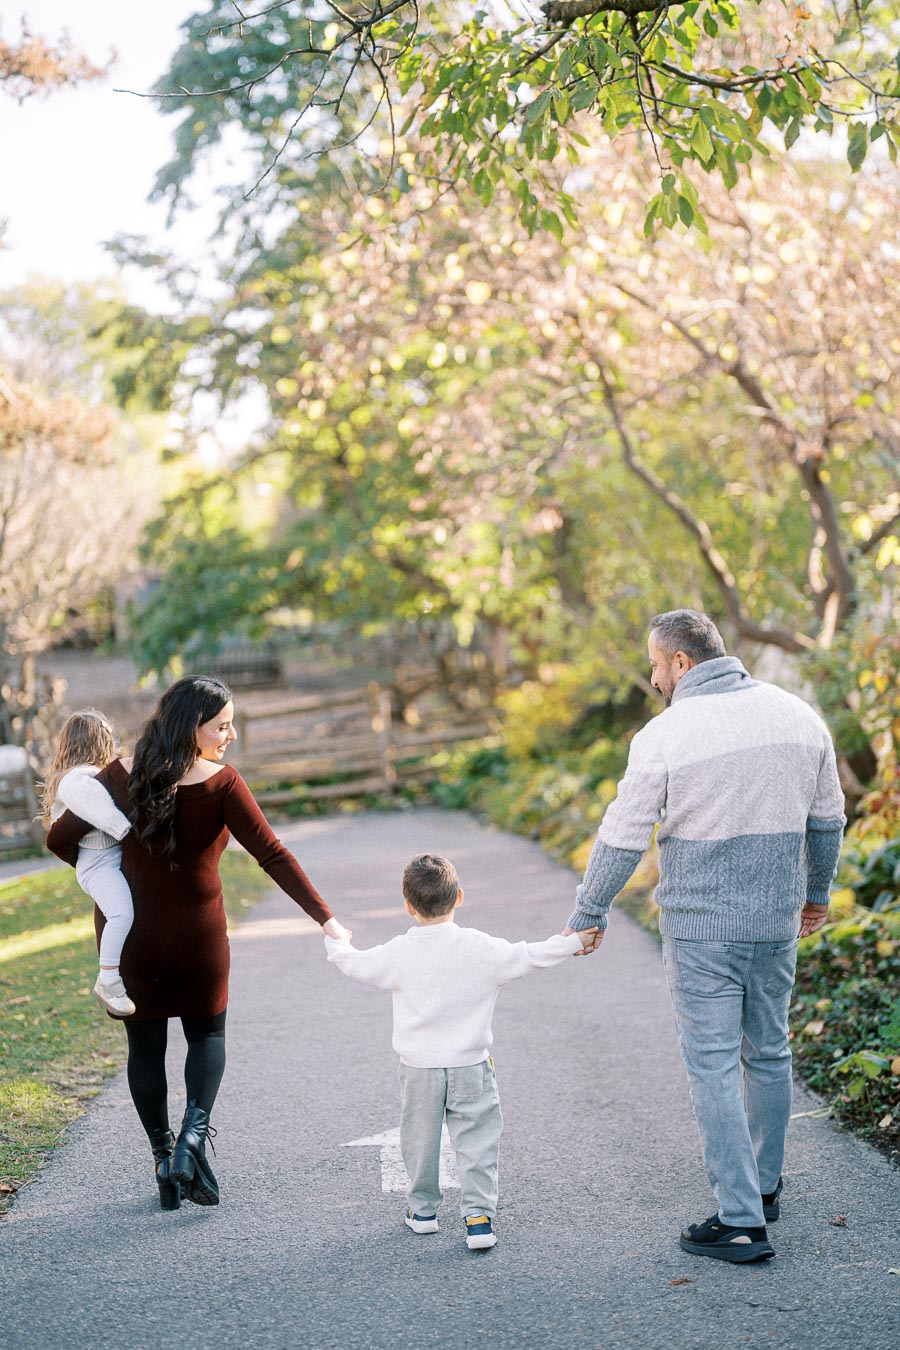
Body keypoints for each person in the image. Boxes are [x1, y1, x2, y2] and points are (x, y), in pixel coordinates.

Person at [564, 609, 845, 1264]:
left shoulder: (667, 735)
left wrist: (590, 908)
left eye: (656, 665)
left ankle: (742, 1221)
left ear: (681, 663)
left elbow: (624, 834)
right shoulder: (799, 716)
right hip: (776, 921)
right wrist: (817, 895)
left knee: (714, 1060)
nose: (654, 677)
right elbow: (827, 821)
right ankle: (764, 1185)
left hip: (702, 929)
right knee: (768, 1049)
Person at [46, 675, 351, 1212]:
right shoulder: (224, 784)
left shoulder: (118, 777)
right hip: (199, 940)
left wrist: (100, 871)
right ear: (194, 727)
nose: (231, 734)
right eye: (223, 725)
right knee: (207, 1038)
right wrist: (325, 918)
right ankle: (191, 1140)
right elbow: (273, 854)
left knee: (145, 1050)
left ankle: (165, 1163)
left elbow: (57, 838)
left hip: (132, 937)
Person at [325, 852, 598, 1251]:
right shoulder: (480, 948)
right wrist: (574, 941)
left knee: (418, 1140)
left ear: (407, 905)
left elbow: (358, 965)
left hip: (419, 1068)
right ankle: (478, 1218)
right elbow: (530, 955)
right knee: (478, 1141)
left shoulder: (399, 952)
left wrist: (337, 943)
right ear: (459, 898)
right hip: (471, 1065)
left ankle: (422, 1213)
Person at [42, 710, 136, 1017]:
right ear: (98, 742)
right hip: (98, 864)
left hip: (104, 858)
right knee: (121, 913)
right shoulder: (77, 779)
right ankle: (107, 978)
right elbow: (98, 808)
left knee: (123, 912)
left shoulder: (84, 775)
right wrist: (127, 831)